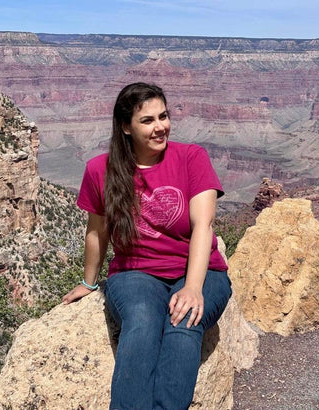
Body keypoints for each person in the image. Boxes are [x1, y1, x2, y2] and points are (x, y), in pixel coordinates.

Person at [62, 82, 232, 410]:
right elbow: (97, 232)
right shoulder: (100, 170)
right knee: (141, 324)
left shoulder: (191, 157)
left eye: (164, 116)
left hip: (201, 270)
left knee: (184, 322)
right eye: (147, 120)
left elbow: (203, 226)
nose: (160, 127)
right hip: (135, 273)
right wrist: (88, 282)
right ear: (126, 126)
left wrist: (193, 288)